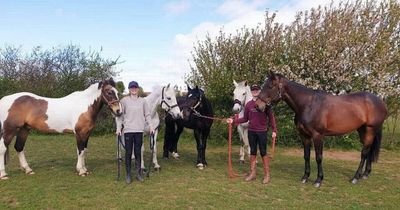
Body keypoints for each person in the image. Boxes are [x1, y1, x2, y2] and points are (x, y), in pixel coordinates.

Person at [227, 84, 277, 184]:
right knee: (252, 152)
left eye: (257, 90)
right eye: (253, 90)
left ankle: (267, 175)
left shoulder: (265, 103)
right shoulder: (248, 105)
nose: (255, 91)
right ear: (251, 92)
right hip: (251, 132)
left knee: (263, 152)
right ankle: (253, 173)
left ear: (259, 91)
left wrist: (274, 130)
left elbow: (271, 117)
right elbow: (245, 119)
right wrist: (233, 120)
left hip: (262, 131)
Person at [116, 80, 154, 184]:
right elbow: (120, 116)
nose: (133, 89)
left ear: (138, 89)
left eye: (135, 87)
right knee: (128, 153)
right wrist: (119, 129)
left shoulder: (143, 101)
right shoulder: (124, 101)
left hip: (139, 131)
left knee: (138, 153)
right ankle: (128, 174)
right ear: (129, 89)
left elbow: (147, 115)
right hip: (128, 130)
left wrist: (151, 126)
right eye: (132, 87)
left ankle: (138, 174)